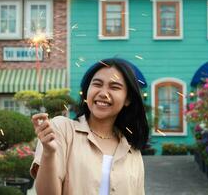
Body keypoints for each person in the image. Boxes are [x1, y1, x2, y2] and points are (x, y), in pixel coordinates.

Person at [30, 58, 149, 195]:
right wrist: (48, 153)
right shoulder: (62, 129)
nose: (103, 93)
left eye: (114, 87)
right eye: (97, 84)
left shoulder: (132, 151)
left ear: (128, 99)